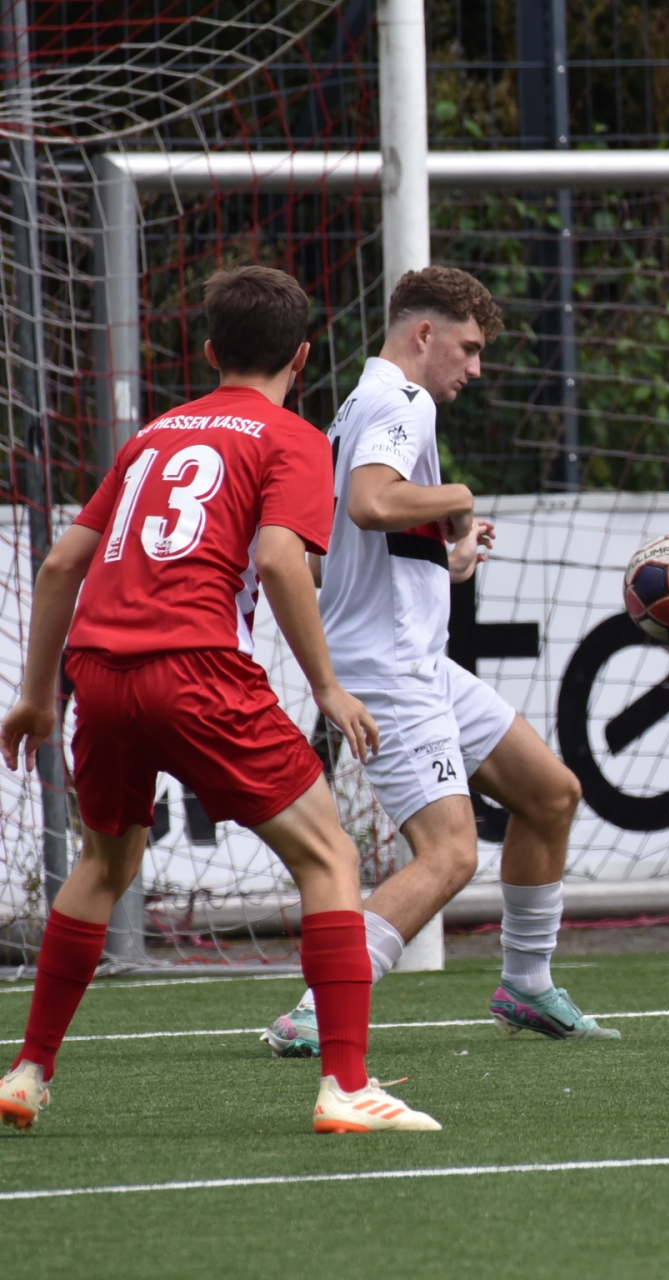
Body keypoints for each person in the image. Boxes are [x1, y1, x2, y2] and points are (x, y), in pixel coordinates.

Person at [0, 266, 437, 1132]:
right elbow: (278, 559)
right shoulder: (291, 437)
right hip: (197, 668)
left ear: (208, 352)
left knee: (104, 866)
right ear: (303, 357)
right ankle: (347, 1087)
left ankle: (27, 1070)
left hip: (99, 671)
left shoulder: (153, 435)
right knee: (330, 858)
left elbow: (59, 565)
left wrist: (37, 696)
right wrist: (327, 687)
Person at [262, 266, 613, 1056]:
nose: (476, 368)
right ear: (425, 335)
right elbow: (371, 504)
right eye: (470, 348)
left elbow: (336, 554)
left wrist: (444, 561)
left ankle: (526, 985)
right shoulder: (402, 400)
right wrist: (456, 498)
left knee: (551, 794)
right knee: (451, 851)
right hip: (390, 671)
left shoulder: (357, 406)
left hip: (414, 660)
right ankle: (319, 1008)